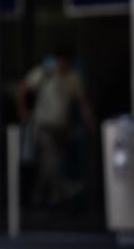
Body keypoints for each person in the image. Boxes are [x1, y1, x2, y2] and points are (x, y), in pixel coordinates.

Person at [16, 45, 97, 206]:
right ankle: (68, 190)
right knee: (51, 162)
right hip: (44, 124)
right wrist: (23, 112)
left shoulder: (73, 77)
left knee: (50, 165)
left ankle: (42, 197)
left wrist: (91, 123)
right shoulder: (44, 72)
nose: (64, 64)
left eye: (67, 61)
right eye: (61, 60)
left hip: (62, 127)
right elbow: (23, 89)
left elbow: (82, 103)